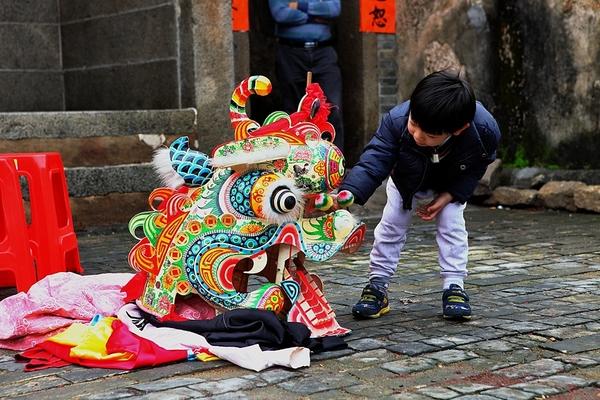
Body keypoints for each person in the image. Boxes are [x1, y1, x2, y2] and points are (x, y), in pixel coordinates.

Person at [339, 70, 501, 320]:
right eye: (414, 125)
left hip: (450, 183)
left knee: (452, 227)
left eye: (429, 135)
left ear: (458, 129)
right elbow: (374, 161)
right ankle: (377, 285)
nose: (417, 136)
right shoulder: (396, 120)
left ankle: (454, 286)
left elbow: (479, 165)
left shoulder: (484, 131)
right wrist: (348, 194)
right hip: (405, 181)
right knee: (391, 227)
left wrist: (451, 194)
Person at [268, 0, 344, 150]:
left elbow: (333, 10)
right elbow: (280, 14)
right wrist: (315, 18)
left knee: (333, 107)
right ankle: (296, 162)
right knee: (293, 109)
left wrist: (300, 6)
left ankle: (334, 161)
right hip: (291, 52)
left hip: (324, 52)